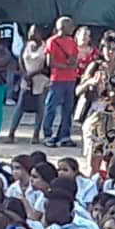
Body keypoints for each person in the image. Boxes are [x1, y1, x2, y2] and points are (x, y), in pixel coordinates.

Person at [79, 34, 115, 176]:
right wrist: (90, 83)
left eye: (113, 49)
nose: (110, 52)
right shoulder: (95, 66)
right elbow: (78, 90)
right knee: (94, 162)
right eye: (107, 48)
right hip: (97, 117)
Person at [42, 16, 79, 148]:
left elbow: (75, 59)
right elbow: (50, 62)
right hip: (57, 78)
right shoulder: (52, 41)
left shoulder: (72, 42)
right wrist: (66, 66)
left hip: (70, 79)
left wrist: (72, 64)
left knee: (68, 109)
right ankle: (48, 134)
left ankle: (64, 135)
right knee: (51, 107)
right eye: (70, 26)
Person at [8, 25, 48, 145]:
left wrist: (33, 74)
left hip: (41, 79)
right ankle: (11, 133)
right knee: (20, 107)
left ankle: (36, 134)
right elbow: (21, 59)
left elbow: (47, 65)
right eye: (31, 32)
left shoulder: (45, 47)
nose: (32, 35)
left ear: (40, 34)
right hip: (26, 80)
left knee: (40, 107)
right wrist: (25, 74)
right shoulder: (26, 45)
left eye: (35, 32)